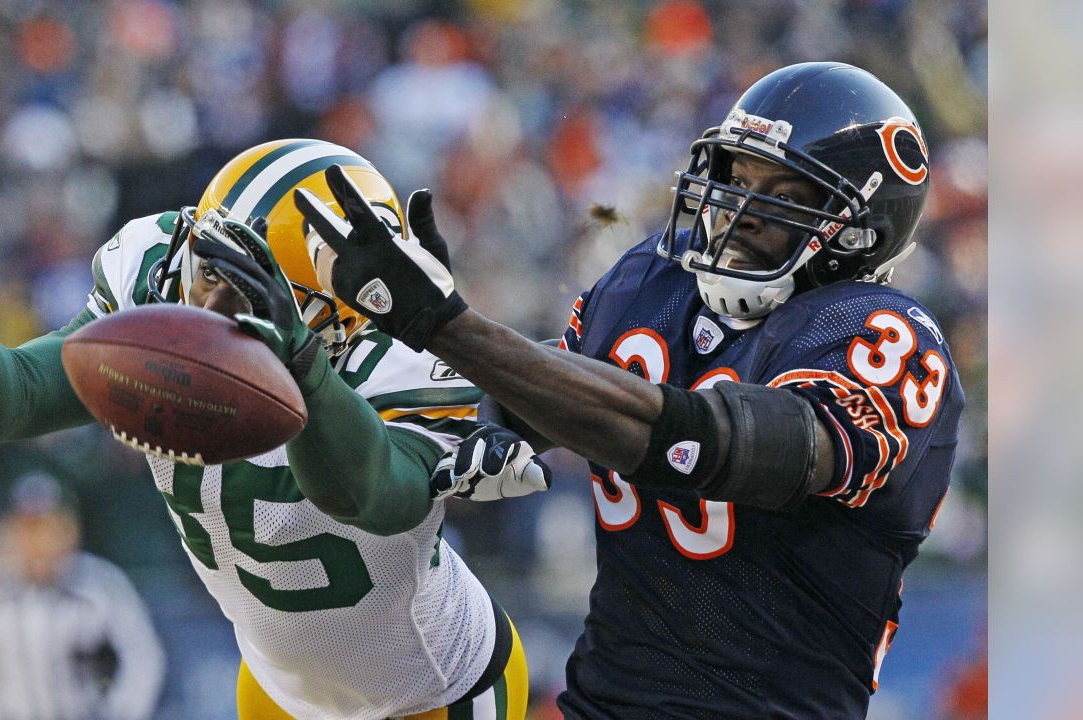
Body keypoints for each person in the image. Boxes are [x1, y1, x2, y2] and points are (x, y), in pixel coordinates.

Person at [292, 62, 966, 718]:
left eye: (786, 195)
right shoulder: (656, 280)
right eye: (738, 176)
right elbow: (513, 412)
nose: (743, 208)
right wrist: (363, 355)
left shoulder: (878, 332)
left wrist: (450, 328)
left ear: (859, 227)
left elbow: (709, 445)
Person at [0, 139, 545, 719]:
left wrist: (303, 370)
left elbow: (369, 496)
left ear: (334, 314)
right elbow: (10, 403)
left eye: (248, 288)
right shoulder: (159, 276)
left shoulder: (402, 359)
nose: (205, 303)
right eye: (209, 265)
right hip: (276, 688)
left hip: (428, 691)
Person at [0, 473, 165, 720]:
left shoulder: (100, 584)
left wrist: (118, 714)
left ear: (68, 529)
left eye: (46, 527)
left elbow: (142, 660)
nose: (37, 541)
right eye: (27, 528)